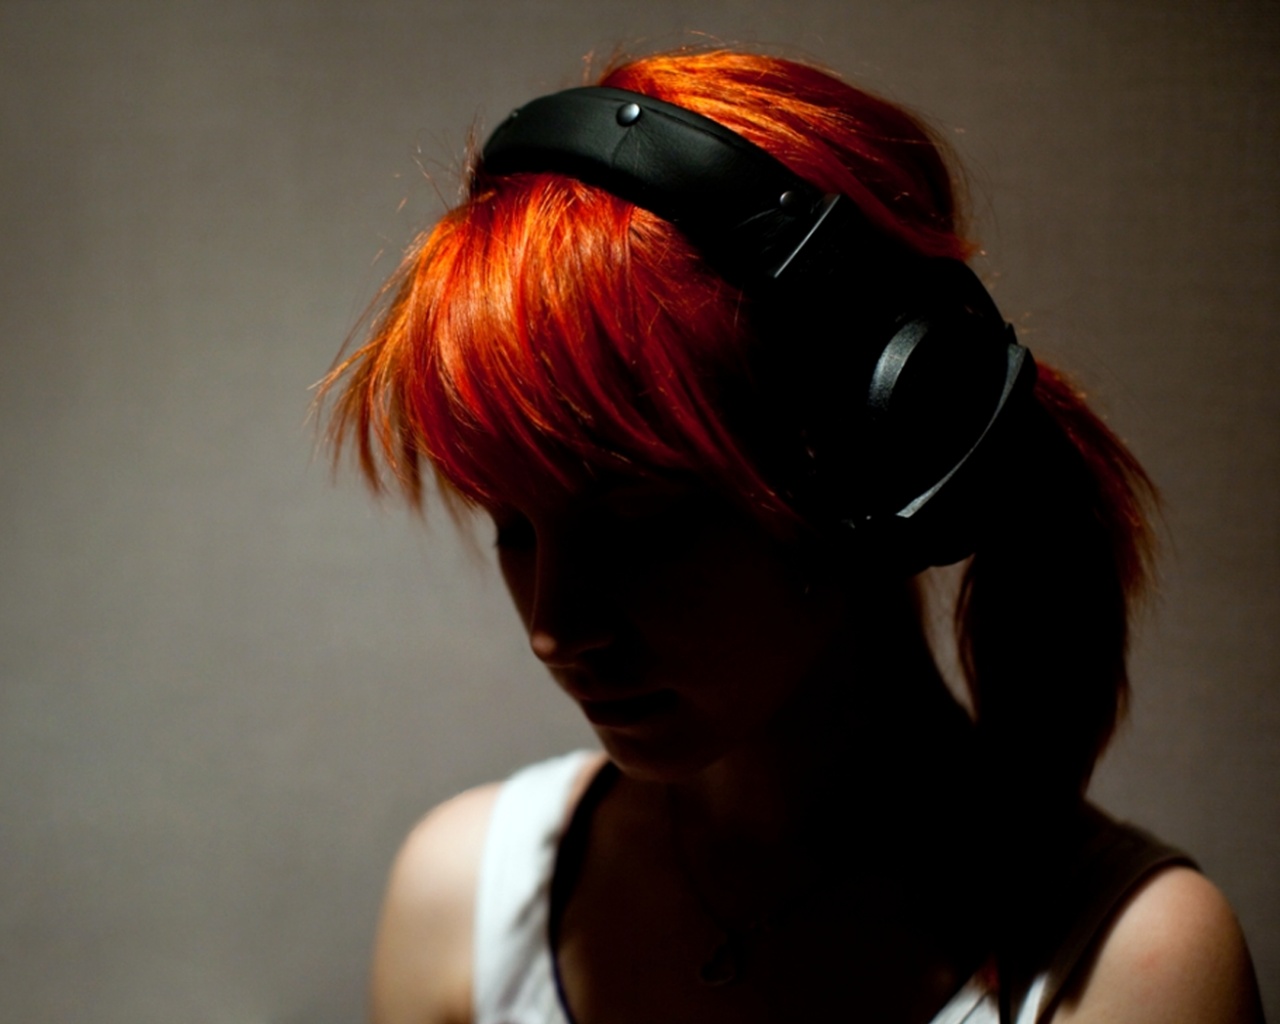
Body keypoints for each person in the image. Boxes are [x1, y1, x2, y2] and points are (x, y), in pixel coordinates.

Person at [320, 49, 1264, 1024]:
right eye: (510, 528)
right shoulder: (459, 902)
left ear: (888, 447)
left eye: (638, 518)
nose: (552, 628)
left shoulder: (1137, 968)